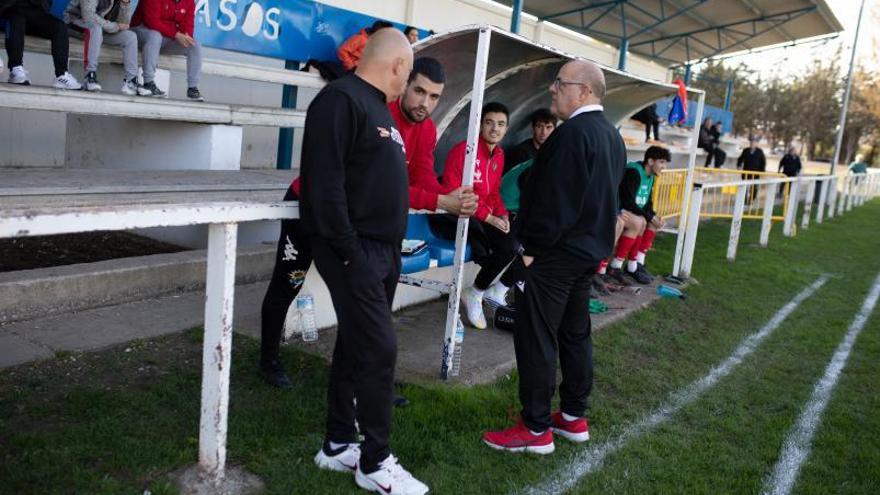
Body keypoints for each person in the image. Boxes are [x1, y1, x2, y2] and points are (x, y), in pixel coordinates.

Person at [301, 28, 429, 494]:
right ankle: (375, 462)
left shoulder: (383, 110)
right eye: (409, 73)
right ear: (397, 65)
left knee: (357, 346)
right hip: (355, 250)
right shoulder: (341, 100)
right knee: (380, 349)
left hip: (383, 250)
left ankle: (337, 444)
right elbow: (324, 184)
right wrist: (351, 252)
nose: (407, 81)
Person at [483, 60, 626, 453]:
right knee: (575, 333)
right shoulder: (612, 136)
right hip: (587, 254)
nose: (552, 89)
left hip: (558, 255)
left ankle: (535, 427)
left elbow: (555, 203)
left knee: (536, 335)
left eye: (560, 83)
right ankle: (573, 415)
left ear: (585, 91)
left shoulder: (573, 134)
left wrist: (529, 250)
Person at [431, 102, 518, 329]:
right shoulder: (464, 150)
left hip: (480, 218)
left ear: (506, 128)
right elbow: (452, 194)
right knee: (497, 248)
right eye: (489, 123)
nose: (494, 129)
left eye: (500, 124)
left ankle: (476, 292)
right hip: (455, 216)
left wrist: (503, 215)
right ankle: (478, 292)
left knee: (516, 244)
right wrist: (489, 218)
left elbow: (494, 192)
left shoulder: (499, 155)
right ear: (480, 125)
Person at [389, 56, 477, 216]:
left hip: (390, 218)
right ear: (405, 85)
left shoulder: (428, 128)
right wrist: (441, 201)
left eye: (434, 96)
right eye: (419, 91)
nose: (425, 103)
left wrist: (446, 195)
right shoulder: (383, 113)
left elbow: (422, 175)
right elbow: (383, 184)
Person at [606, 146, 670, 285]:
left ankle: (635, 264)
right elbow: (628, 201)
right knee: (640, 222)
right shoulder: (634, 171)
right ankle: (615, 266)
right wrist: (649, 217)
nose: (664, 166)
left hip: (633, 210)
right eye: (661, 162)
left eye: (665, 163)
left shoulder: (651, 176)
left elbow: (647, 202)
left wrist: (654, 216)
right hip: (621, 209)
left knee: (651, 222)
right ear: (651, 161)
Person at [64, 0, 144, 95]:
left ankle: (131, 81)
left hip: (103, 29)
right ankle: (90, 75)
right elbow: (88, 17)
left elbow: (124, 24)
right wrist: (114, 26)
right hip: (76, 22)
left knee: (130, 37)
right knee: (96, 29)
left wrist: (125, 4)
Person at [131, 0, 205, 100]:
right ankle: (148, 83)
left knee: (194, 45)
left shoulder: (189, 2)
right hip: (140, 32)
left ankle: (192, 88)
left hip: (165, 37)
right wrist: (176, 34)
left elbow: (187, 26)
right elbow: (152, 22)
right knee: (155, 35)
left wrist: (186, 35)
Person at [2, 0, 82, 89]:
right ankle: (15, 69)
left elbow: (46, 4)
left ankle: (62, 75)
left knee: (59, 26)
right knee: (17, 18)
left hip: (34, 13)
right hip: (10, 10)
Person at [504, 107, 556, 174]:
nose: (544, 132)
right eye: (539, 126)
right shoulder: (521, 153)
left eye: (548, 127)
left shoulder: (555, 150)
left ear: (554, 129)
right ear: (533, 128)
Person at [737, 138, 766, 203]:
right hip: (746, 172)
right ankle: (744, 200)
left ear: (756, 144)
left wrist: (762, 172)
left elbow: (763, 162)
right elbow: (740, 159)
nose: (752, 144)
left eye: (753, 143)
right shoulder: (746, 150)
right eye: (751, 143)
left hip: (755, 173)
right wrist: (739, 165)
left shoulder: (760, 151)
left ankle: (751, 200)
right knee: (744, 187)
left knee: (754, 188)